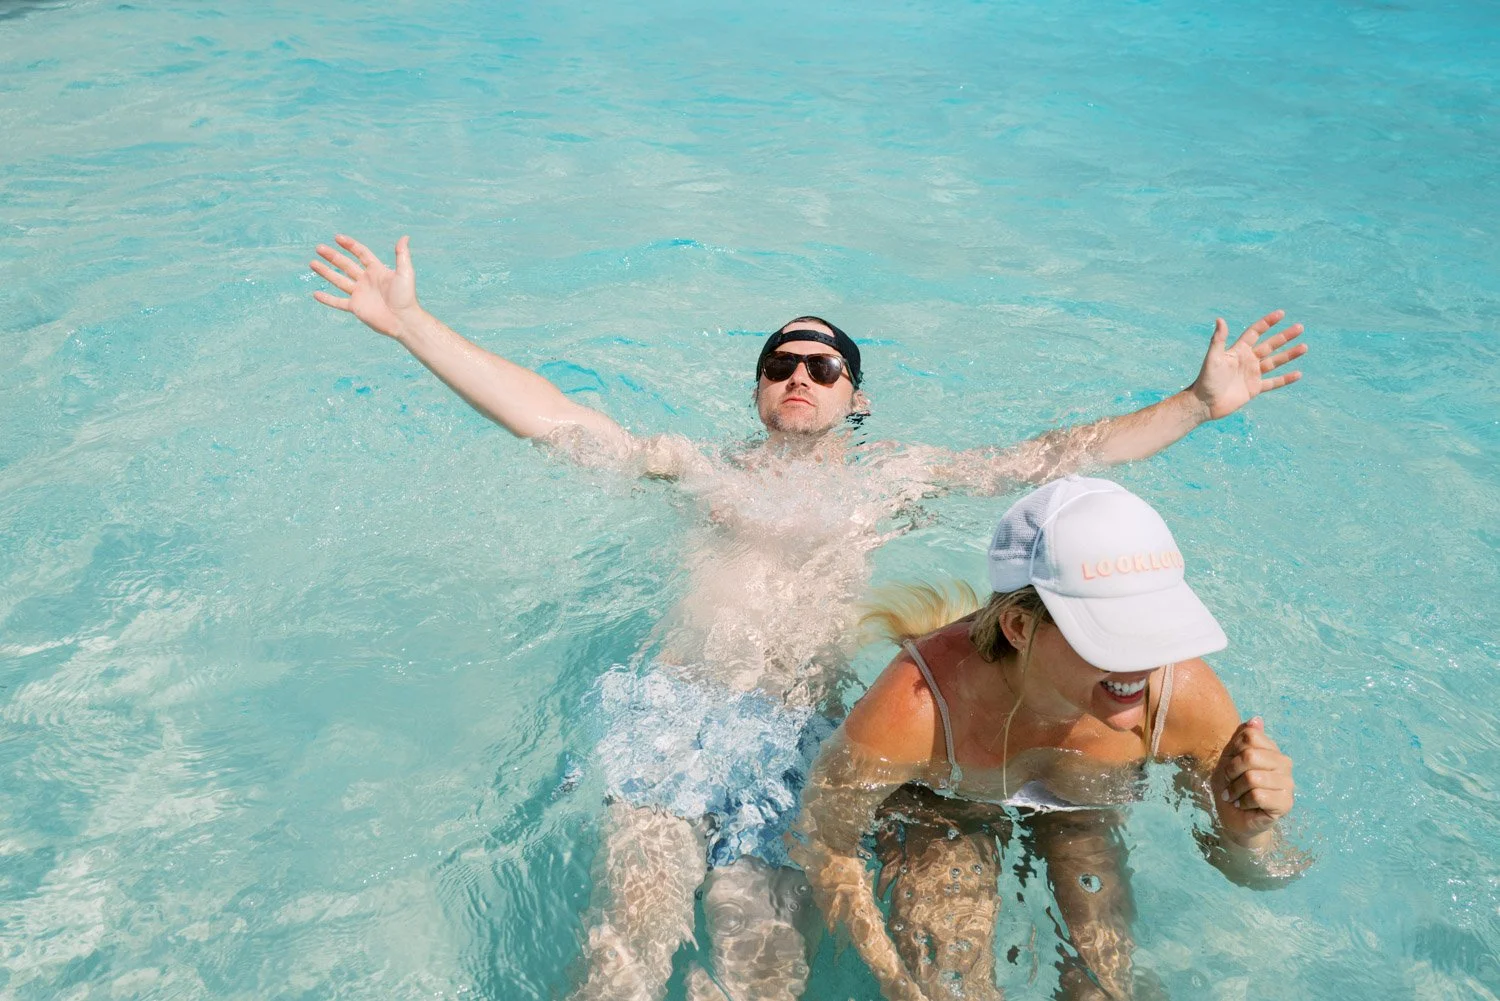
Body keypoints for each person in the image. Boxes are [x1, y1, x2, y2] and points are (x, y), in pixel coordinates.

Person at [308, 234, 1308, 1001]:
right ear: (757, 389)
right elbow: (555, 419)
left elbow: (1051, 457)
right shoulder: (698, 469)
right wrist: (413, 326)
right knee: (624, 941)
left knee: (765, 967)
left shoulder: (897, 481)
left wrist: (1193, 403)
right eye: (782, 363)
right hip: (673, 716)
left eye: (824, 367)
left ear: (856, 398)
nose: (800, 374)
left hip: (797, 744)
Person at [790, 477, 1303, 1001]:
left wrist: (1249, 833)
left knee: (1104, 987)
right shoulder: (918, 707)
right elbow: (825, 842)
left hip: (1083, 809)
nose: (1142, 660)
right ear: (1016, 625)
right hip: (942, 804)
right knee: (949, 976)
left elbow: (1259, 876)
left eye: (1157, 626)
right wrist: (892, 976)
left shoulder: (1178, 697)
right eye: (1112, 632)